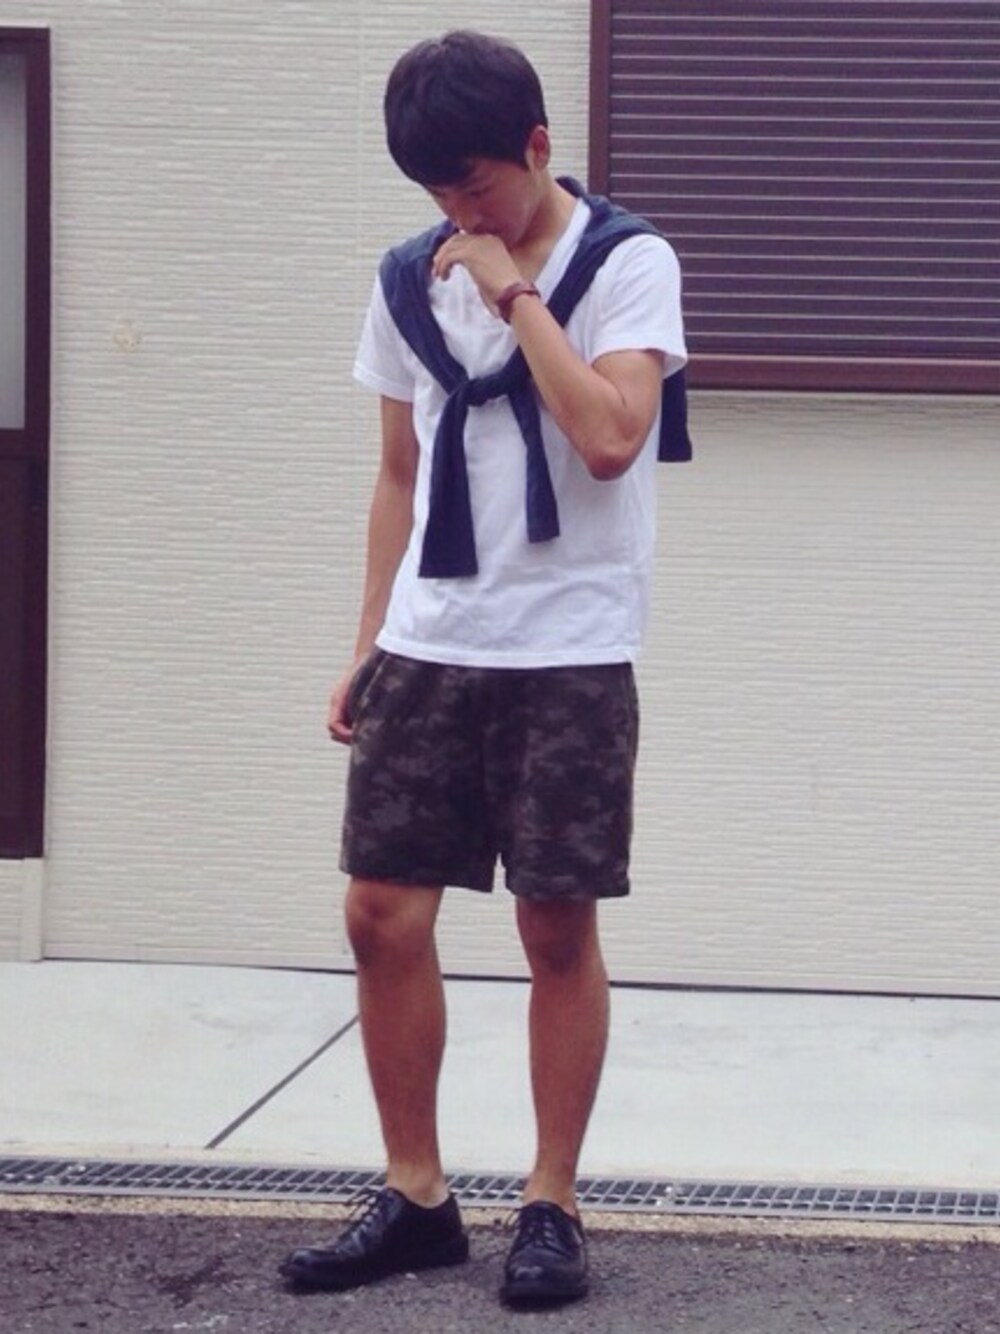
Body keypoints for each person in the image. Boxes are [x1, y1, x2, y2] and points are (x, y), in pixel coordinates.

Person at [280, 29, 688, 1309]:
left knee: (553, 927)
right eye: (436, 193)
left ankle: (550, 1202)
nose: (459, 215)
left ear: (538, 145)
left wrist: (517, 292)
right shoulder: (408, 280)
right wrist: (366, 645)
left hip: (568, 645)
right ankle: (415, 1195)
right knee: (379, 914)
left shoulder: (626, 262)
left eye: (476, 185)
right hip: (431, 639)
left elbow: (611, 436)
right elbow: (398, 471)